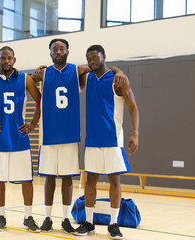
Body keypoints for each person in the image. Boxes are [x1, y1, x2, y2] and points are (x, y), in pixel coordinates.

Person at [31, 39, 126, 234]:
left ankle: (66, 219)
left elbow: (101, 66)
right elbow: (25, 82)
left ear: (67, 51)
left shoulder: (77, 71)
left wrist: (119, 71)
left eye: (62, 49)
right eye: (54, 49)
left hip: (69, 134)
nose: (58, 52)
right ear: (49, 53)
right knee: (49, 178)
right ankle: (48, 218)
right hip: (48, 134)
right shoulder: (44, 73)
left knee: (67, 178)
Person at [73, 44, 139, 239]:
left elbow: (133, 106)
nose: (91, 61)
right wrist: (117, 67)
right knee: (90, 180)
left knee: (114, 180)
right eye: (89, 58)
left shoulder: (118, 81)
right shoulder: (88, 77)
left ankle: (113, 224)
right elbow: (76, 70)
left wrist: (135, 132)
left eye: (95, 57)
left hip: (113, 139)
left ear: (104, 56)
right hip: (92, 139)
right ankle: (89, 222)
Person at [0, 46, 41, 232]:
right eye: (3, 58)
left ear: (14, 60)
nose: (6, 61)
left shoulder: (25, 79)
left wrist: (32, 124)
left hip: (20, 137)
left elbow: (40, 100)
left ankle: (28, 217)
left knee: (26, 179)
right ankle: (1, 216)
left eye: (9, 58)